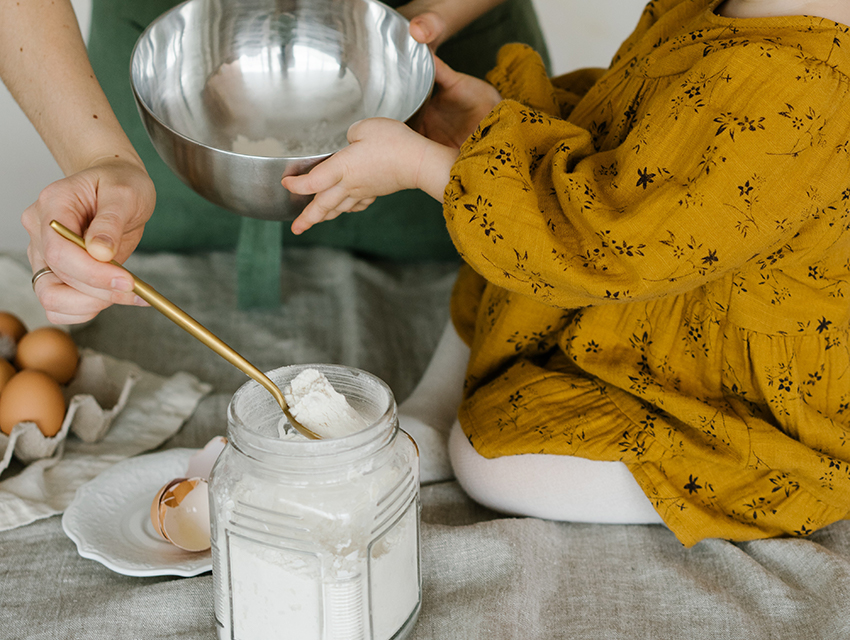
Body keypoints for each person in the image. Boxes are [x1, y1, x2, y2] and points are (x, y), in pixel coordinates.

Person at [282, 0, 850, 546]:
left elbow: (608, 247)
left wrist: (427, 167)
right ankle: (426, 416)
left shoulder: (799, 79)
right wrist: (491, 123)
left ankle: (729, 487)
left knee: (487, 465)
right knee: (497, 228)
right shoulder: (731, 10)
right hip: (639, 268)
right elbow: (636, 127)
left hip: (722, 372)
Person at [0, 0, 550, 318]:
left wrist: (433, 18)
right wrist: (97, 154)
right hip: (176, 99)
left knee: (480, 308)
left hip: (431, 93)